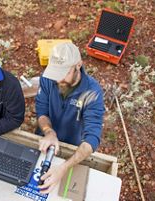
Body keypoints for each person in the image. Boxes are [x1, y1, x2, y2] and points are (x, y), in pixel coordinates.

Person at [35, 43, 105, 194]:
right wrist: (49, 132)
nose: (58, 79)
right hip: (46, 141)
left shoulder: (92, 92)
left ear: (78, 65)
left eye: (64, 73)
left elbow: (91, 139)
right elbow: (41, 111)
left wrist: (64, 168)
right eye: (55, 73)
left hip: (72, 147)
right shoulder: (48, 79)